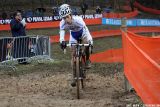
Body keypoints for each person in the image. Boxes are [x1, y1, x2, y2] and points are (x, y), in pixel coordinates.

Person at [59, 4, 93, 87]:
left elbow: (86, 30)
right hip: (73, 36)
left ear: (70, 15)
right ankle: (74, 76)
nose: (66, 19)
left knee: (87, 46)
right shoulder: (62, 23)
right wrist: (62, 41)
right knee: (73, 54)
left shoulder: (78, 20)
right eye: (64, 18)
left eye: (67, 17)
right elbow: (62, 32)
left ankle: (87, 60)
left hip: (83, 34)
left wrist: (90, 41)